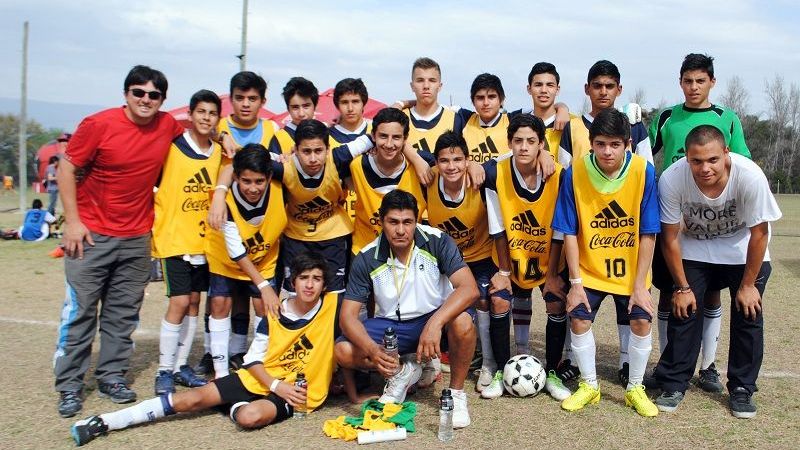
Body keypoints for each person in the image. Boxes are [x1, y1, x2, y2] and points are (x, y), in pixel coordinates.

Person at [70, 253, 340, 446]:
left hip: (296, 392)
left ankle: (229, 404)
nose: (309, 284)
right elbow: (253, 360)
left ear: (325, 285)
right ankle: (106, 421)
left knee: (249, 417)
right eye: (304, 278)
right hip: (260, 379)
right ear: (293, 282)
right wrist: (276, 385)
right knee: (190, 400)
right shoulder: (275, 311)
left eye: (316, 279)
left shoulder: (332, 306)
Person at [53, 65, 186, 418]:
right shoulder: (98, 124)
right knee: (81, 311)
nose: (146, 100)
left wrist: (223, 137)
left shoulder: (167, 125)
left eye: (154, 95)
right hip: (91, 235)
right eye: (138, 92)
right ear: (126, 94)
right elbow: (65, 169)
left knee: (122, 313)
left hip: (136, 237)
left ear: (162, 100)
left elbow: (199, 130)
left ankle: (111, 377)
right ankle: (69, 385)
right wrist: (73, 222)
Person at [653, 125, 781, 418]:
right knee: (684, 311)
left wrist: (748, 285)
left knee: (748, 311)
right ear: (686, 157)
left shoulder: (749, 176)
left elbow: (760, 233)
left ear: (726, 152)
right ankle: (674, 383)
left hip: (741, 248)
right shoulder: (672, 178)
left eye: (712, 159)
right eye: (696, 161)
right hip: (695, 248)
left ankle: (742, 387)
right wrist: (682, 288)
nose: (705, 168)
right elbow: (669, 238)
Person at [648, 54, 752, 390]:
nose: (693, 87)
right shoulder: (666, 117)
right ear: (680, 82)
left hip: (711, 220)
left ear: (712, 82)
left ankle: (708, 366)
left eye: (700, 81)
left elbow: (740, 163)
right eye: (688, 81)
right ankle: (667, 362)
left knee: (709, 294)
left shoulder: (727, 118)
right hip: (674, 217)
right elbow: (643, 155)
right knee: (670, 292)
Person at [334, 189, 479, 428]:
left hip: (435, 318)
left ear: (416, 220)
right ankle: (403, 372)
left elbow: (469, 288)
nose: (400, 230)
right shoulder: (366, 256)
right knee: (343, 351)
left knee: (463, 322)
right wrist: (372, 350)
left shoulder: (437, 240)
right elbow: (347, 317)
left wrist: (435, 323)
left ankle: (456, 394)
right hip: (393, 329)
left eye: (407, 222)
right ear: (381, 222)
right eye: (393, 222)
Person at [553, 108, 660, 417]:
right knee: (579, 317)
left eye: (615, 144)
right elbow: (569, 231)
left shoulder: (643, 171)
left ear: (628, 144)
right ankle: (589, 385)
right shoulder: (574, 172)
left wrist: (640, 285)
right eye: (600, 144)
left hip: (631, 272)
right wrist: (575, 283)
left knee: (641, 320)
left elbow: (648, 232)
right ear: (591, 144)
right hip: (590, 270)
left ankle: (635, 388)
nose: (607, 151)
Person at [482, 114, 570, 400]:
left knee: (556, 301)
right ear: (509, 143)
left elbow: (560, 230)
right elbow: (498, 228)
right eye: (518, 140)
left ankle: (553, 372)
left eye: (531, 141)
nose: (523, 147)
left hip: (548, 254)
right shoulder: (496, 173)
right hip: (510, 254)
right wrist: (504, 273)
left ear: (541, 144)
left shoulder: (558, 174)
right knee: (498, 299)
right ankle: (500, 371)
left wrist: (553, 274)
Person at [200, 71, 280, 375]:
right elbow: (201, 131)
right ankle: (215, 360)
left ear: (262, 101)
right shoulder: (218, 126)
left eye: (252, 98)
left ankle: (251, 359)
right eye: (239, 98)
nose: (246, 104)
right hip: (222, 219)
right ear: (230, 99)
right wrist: (220, 192)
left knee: (257, 302)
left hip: (261, 232)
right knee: (219, 301)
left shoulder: (272, 130)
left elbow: (286, 160)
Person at [151, 90, 222, 395]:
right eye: (201, 112)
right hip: (174, 240)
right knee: (179, 302)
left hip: (204, 243)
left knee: (194, 303)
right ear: (191, 115)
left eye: (212, 113)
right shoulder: (172, 148)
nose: (206, 118)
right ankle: (163, 370)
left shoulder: (219, 153)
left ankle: (181, 365)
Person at [424, 130, 505, 395]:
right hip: (445, 263)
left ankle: (488, 363)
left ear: (467, 160)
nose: (451, 166)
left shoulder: (479, 181)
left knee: (484, 300)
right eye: (445, 161)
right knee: (429, 299)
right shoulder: (428, 179)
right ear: (436, 162)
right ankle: (430, 361)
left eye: (458, 160)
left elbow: (509, 159)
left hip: (480, 257)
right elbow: (402, 149)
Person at [204, 145, 287, 380]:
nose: (253, 188)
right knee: (219, 303)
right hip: (226, 258)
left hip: (264, 258)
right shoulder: (226, 202)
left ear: (269, 177)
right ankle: (221, 373)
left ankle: (258, 362)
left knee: (265, 306)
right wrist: (219, 193)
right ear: (237, 178)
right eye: (246, 181)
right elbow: (237, 253)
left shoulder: (282, 187)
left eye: (259, 181)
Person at [273, 118, 373, 296]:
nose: (313, 158)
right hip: (296, 237)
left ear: (328, 149)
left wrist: (403, 104)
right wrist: (221, 191)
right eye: (306, 151)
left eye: (318, 151)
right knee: (297, 295)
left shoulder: (338, 157)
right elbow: (244, 157)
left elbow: (373, 137)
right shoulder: (283, 167)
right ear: (295, 150)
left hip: (333, 236)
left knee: (334, 296)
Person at [348, 108, 427, 255]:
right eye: (383, 136)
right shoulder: (356, 166)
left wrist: (471, 165)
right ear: (373, 136)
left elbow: (454, 162)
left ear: (405, 139)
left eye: (396, 137)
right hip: (365, 250)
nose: (389, 144)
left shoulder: (419, 167)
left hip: (409, 252)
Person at [330, 78, 372, 222]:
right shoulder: (325, 137)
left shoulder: (378, 132)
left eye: (355, 101)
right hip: (337, 219)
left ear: (363, 103)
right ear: (337, 105)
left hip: (371, 213)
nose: (350, 108)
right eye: (344, 102)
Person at [269, 76, 319, 155]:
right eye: (295, 107)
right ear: (288, 109)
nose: (301, 113)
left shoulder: (325, 134)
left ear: (315, 106)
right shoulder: (279, 138)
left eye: (306, 106)